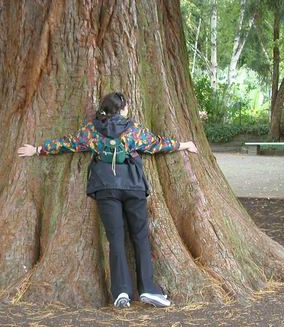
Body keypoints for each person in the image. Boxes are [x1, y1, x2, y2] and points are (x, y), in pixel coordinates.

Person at [17, 92, 198, 308]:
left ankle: (121, 291)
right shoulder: (134, 130)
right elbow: (158, 144)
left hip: (105, 187)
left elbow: (68, 143)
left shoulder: (92, 131)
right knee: (140, 236)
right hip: (133, 187)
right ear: (122, 109)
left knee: (116, 238)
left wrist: (38, 150)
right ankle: (148, 289)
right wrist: (184, 144)